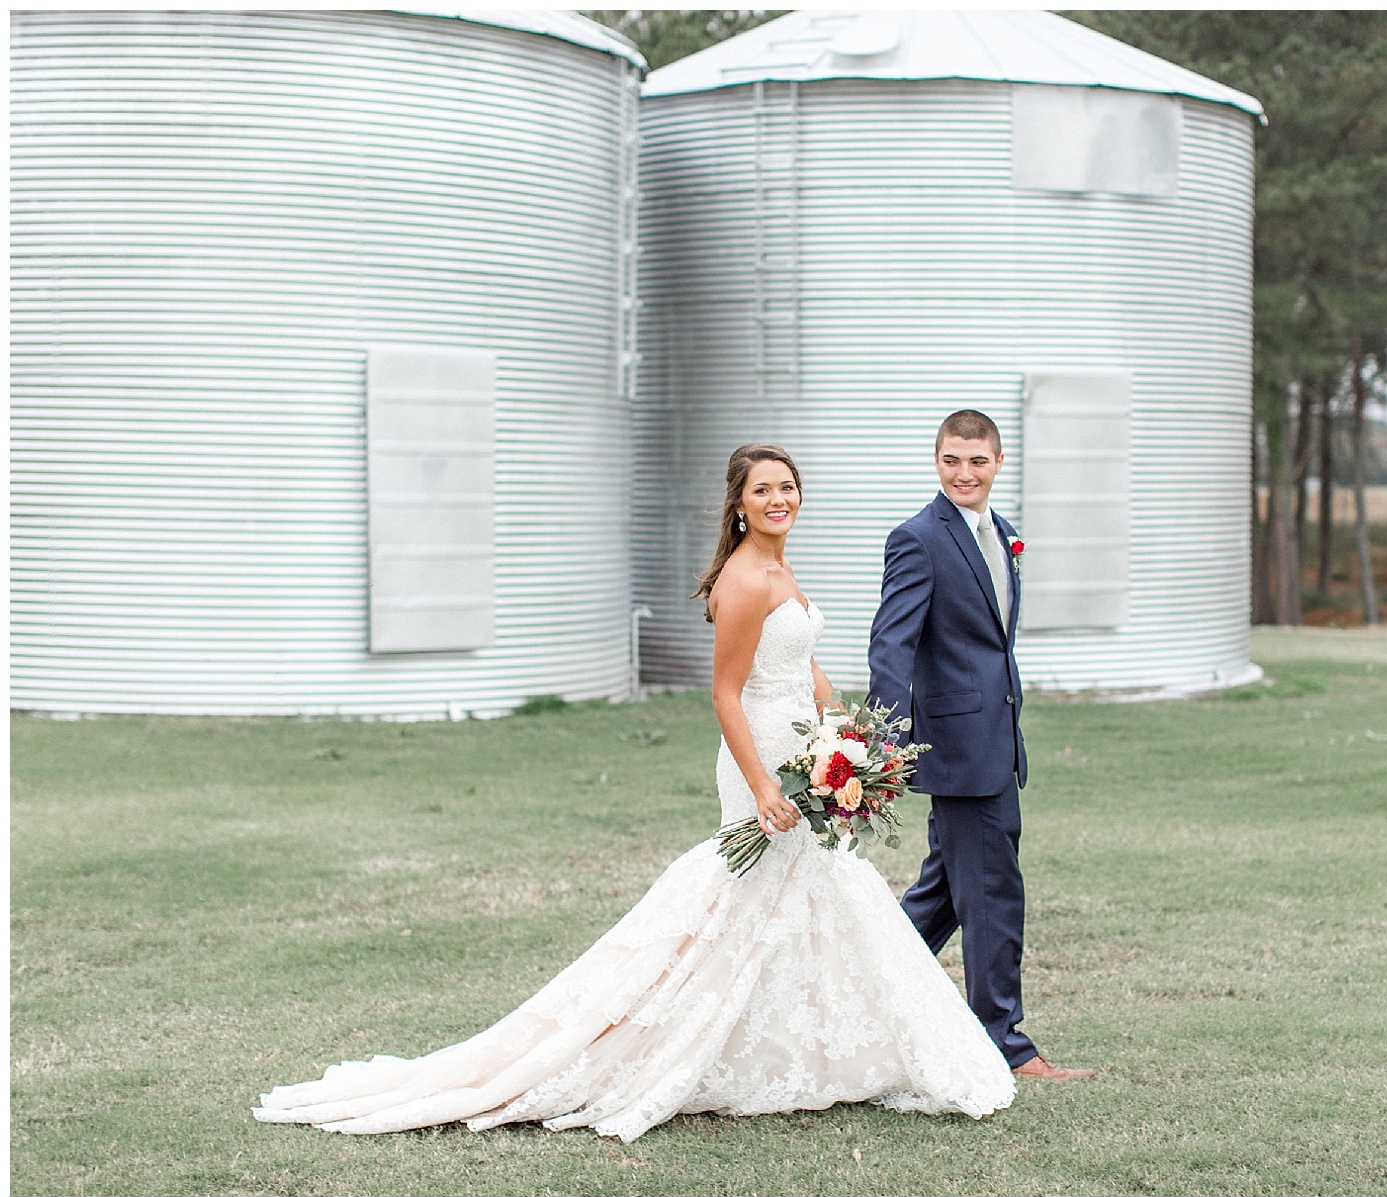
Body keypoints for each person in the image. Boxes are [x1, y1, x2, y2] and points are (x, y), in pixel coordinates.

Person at [254, 444, 1015, 1142]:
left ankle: (807, 1054)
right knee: (741, 898)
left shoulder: (781, 567)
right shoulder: (746, 576)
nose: (779, 498)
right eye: (764, 490)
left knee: (814, 895)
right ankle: (658, 1040)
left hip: (808, 750)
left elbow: (801, 664)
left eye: (788, 487)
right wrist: (759, 784)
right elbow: (724, 692)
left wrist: (847, 731)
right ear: (739, 504)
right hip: (760, 754)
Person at [867, 410, 1094, 1081]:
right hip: (957, 748)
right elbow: (892, 642)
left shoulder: (1005, 532)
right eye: (952, 461)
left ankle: (857, 987)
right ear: (936, 461)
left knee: (942, 894)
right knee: (993, 892)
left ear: (997, 463)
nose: (964, 474)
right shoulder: (918, 538)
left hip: (997, 739)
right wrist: (888, 739)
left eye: (977, 461)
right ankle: (1005, 1044)